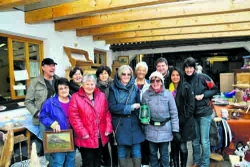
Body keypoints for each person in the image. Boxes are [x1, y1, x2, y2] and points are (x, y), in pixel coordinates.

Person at [69, 74, 112, 167]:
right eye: (87, 84)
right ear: (82, 85)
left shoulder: (101, 95)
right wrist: (83, 132)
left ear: (95, 85)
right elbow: (74, 117)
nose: (90, 86)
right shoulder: (76, 97)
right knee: (88, 162)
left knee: (97, 161)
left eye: (92, 84)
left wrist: (108, 128)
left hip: (100, 136)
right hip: (86, 137)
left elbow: (107, 112)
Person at [183, 57, 218, 167]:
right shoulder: (184, 80)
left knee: (205, 141)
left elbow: (215, 89)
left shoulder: (203, 77)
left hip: (204, 113)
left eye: (191, 67)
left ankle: (205, 163)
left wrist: (203, 95)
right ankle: (196, 162)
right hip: (192, 115)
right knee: (195, 141)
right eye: (186, 68)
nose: (189, 70)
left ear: (194, 68)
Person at [108, 65, 145, 167]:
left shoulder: (134, 88)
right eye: (123, 74)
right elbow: (112, 107)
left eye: (128, 74)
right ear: (119, 75)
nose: (126, 76)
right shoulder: (113, 89)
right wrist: (130, 107)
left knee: (136, 151)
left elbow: (139, 105)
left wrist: (143, 117)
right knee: (121, 151)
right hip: (120, 124)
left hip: (134, 123)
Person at [25, 58, 59, 166]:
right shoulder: (35, 82)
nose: (52, 67)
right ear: (43, 67)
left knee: (61, 143)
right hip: (44, 119)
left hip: (59, 117)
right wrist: (37, 113)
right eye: (49, 65)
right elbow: (28, 101)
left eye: (53, 65)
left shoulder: (59, 80)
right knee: (48, 145)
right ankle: (50, 164)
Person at [142, 71, 180, 167]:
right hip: (151, 128)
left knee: (164, 154)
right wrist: (143, 125)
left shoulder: (168, 94)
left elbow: (174, 113)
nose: (155, 83)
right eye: (153, 80)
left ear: (161, 82)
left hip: (165, 129)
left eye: (158, 80)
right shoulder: (146, 95)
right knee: (153, 153)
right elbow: (144, 113)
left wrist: (175, 130)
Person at [39, 78, 76, 167]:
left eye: (66, 87)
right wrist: (53, 124)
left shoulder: (74, 100)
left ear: (69, 88)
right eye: (61, 88)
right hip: (58, 136)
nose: (64, 90)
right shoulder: (50, 102)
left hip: (73, 135)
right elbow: (42, 116)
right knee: (59, 161)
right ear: (57, 90)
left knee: (71, 159)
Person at [169, 67, 195, 167]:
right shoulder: (168, 87)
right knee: (174, 147)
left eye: (177, 75)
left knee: (183, 147)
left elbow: (191, 106)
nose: (175, 77)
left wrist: (182, 120)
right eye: (173, 75)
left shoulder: (186, 87)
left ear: (181, 76)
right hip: (172, 122)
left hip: (184, 122)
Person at [95, 65, 116, 167]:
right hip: (100, 117)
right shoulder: (94, 86)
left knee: (114, 142)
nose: (103, 75)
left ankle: (114, 163)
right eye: (101, 73)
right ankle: (104, 162)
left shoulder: (113, 84)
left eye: (105, 73)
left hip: (113, 115)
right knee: (102, 142)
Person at [134, 62, 150, 167]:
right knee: (136, 139)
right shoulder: (131, 83)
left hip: (146, 116)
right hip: (133, 115)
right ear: (136, 71)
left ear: (146, 72)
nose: (141, 72)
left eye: (143, 70)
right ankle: (136, 162)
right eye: (139, 69)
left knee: (146, 139)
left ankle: (145, 162)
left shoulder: (150, 84)